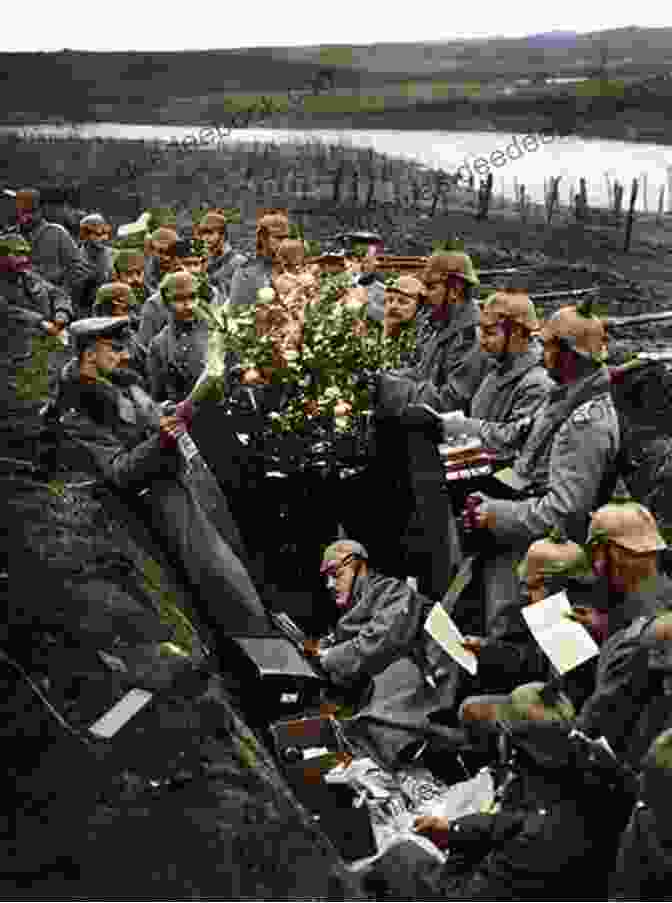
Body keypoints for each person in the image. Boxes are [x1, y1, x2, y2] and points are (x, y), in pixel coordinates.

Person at [57, 316, 272, 639]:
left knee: (236, 559)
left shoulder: (119, 381)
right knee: (222, 579)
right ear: (89, 354)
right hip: (161, 497)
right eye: (114, 349)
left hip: (188, 479)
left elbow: (150, 416)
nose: (124, 355)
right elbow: (118, 470)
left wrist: (176, 410)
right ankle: (260, 657)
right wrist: (163, 439)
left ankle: (266, 638)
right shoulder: (78, 409)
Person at [461, 502, 671, 761]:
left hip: (597, 746)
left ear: (606, 556)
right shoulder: (638, 603)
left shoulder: (641, 627)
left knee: (477, 712)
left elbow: (596, 719)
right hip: (605, 733)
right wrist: (490, 651)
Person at [462, 305, 620, 628]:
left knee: (502, 625)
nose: (541, 353)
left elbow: (564, 514)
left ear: (569, 355)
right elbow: (519, 434)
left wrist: (497, 514)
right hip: (530, 520)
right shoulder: (563, 399)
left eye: (548, 346)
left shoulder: (585, 423)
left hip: (554, 550)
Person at [440, 291, 553, 456]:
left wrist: (464, 427)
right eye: (482, 333)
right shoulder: (495, 365)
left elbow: (515, 439)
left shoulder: (537, 383)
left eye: (490, 334)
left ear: (516, 333)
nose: (482, 342)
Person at [0, 232, 73, 412]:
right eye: (16, 254)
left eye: (25, 254)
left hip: (44, 351)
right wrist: (40, 322)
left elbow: (58, 293)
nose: (23, 259)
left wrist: (61, 312)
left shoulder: (29, 276)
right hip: (12, 357)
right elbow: (6, 310)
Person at [146, 271, 209, 404]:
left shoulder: (216, 333)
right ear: (167, 303)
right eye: (179, 299)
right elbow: (157, 394)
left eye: (192, 297)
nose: (188, 305)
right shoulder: (159, 344)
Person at [14, 187, 85, 296]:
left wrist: (63, 292)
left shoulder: (57, 233)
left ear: (41, 210)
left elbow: (77, 268)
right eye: (23, 212)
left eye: (32, 211)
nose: (27, 217)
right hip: (18, 299)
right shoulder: (9, 236)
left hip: (54, 298)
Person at [229, 210, 290, 307]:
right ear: (263, 238)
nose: (283, 243)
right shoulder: (245, 274)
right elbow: (236, 314)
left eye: (286, 238)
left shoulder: (292, 270)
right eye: (278, 238)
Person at [91, 282, 147, 380]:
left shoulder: (130, 336)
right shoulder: (92, 342)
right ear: (104, 310)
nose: (131, 316)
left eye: (131, 310)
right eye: (125, 310)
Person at [196, 210, 247, 300]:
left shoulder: (238, 262)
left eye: (210, 233)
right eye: (203, 233)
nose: (205, 238)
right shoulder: (201, 261)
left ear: (222, 235)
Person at [74, 213, 115, 317]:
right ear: (85, 235)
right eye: (99, 234)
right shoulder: (77, 261)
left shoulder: (113, 254)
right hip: (87, 314)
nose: (105, 238)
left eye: (106, 233)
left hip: (112, 310)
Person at [143, 226, 179, 296]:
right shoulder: (144, 270)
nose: (166, 258)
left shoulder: (182, 266)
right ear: (151, 250)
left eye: (171, 252)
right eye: (160, 252)